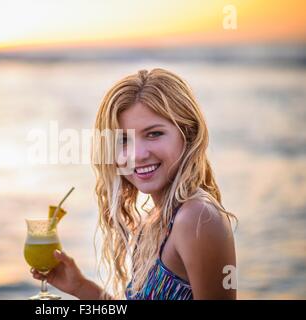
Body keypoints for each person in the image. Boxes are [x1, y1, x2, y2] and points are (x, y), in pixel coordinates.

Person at [32, 68, 237, 300]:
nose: (137, 155)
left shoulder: (197, 218)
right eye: (123, 140)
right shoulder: (153, 221)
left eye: (154, 134)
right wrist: (80, 287)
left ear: (188, 134)